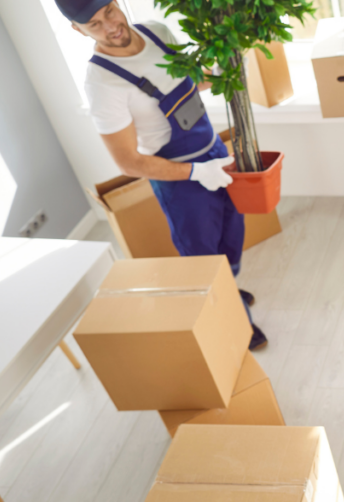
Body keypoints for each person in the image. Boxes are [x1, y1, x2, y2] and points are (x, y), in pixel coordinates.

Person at [57, 0, 267, 349]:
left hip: (215, 152)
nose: (109, 26)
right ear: (77, 30)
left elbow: (188, 83)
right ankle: (237, 324)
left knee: (232, 234)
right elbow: (128, 161)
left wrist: (226, 68)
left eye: (109, 11)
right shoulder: (103, 84)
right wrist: (196, 172)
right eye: (93, 24)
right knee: (202, 256)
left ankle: (228, 287)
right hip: (180, 180)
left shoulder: (157, 32)